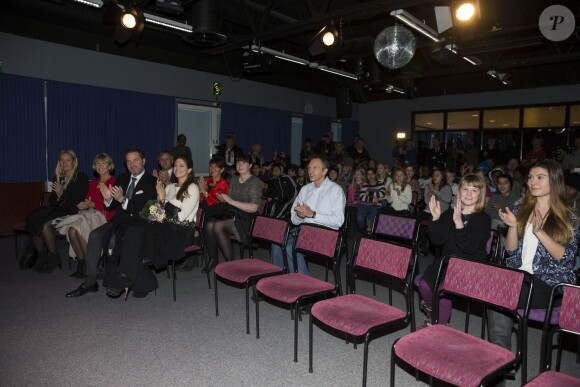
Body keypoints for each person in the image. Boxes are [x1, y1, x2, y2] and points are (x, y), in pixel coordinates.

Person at [489, 159, 579, 356]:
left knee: (502, 291)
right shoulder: (525, 210)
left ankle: (499, 357)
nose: (532, 182)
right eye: (530, 177)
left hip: (550, 283)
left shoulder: (568, 217)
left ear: (554, 181)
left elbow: (566, 259)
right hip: (523, 276)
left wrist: (540, 232)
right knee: (493, 284)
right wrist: (513, 226)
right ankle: (500, 356)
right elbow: (512, 252)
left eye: (540, 177)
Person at [65, 148, 157, 298]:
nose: (132, 164)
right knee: (95, 235)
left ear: (144, 161)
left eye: (136, 160)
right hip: (119, 220)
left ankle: (127, 279)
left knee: (127, 237)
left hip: (140, 223)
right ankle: (90, 281)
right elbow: (113, 206)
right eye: (128, 161)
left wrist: (123, 200)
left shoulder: (152, 182)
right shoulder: (122, 178)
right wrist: (108, 199)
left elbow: (148, 211)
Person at [419, 173, 491, 325]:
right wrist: (436, 219)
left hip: (469, 266)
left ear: (480, 194)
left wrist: (459, 224)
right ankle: (433, 311)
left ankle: (438, 330)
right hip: (446, 262)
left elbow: (469, 248)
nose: (469, 194)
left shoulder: (483, 219)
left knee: (442, 291)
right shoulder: (448, 214)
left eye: (474, 190)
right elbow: (437, 241)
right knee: (424, 285)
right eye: (465, 189)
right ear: (459, 192)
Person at [271, 156, 345, 274]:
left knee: (290, 246)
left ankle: (302, 285)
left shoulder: (335, 190)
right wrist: (300, 216)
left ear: (325, 171)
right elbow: (294, 219)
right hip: (302, 231)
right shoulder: (305, 189)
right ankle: (279, 278)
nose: (310, 171)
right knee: (277, 242)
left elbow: (339, 221)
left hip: (325, 235)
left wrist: (313, 214)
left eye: (315, 168)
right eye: (309, 168)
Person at [24, 150, 89, 273]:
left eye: (68, 160)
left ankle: (53, 257)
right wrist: (58, 196)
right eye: (61, 160)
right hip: (57, 209)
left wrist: (63, 193)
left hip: (72, 211)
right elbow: (53, 201)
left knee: (44, 224)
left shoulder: (81, 176)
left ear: (74, 162)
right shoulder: (58, 177)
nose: (64, 163)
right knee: (33, 218)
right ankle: (42, 256)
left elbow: (79, 199)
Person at [55, 153, 116, 279]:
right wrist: (85, 204)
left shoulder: (114, 181)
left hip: (106, 217)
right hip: (90, 214)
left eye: (103, 163)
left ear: (110, 166)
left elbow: (113, 205)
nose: (100, 166)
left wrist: (93, 204)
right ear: (94, 166)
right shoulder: (93, 183)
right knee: (72, 231)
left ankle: (90, 266)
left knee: (78, 226)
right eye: (98, 164)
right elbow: (87, 200)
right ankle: (83, 263)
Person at [139, 156, 200, 275]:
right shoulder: (170, 187)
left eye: (181, 166)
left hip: (183, 232)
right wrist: (159, 199)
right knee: (145, 221)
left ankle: (148, 255)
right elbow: (155, 216)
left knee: (150, 227)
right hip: (166, 227)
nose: (177, 168)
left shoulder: (193, 188)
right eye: (175, 165)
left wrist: (163, 202)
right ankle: (147, 256)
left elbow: (180, 218)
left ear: (189, 170)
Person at [202, 154, 262, 271]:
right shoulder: (234, 179)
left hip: (248, 219)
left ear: (250, 165)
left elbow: (254, 208)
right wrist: (224, 199)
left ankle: (231, 265)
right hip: (234, 214)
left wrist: (231, 201)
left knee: (218, 226)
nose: (240, 165)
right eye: (238, 163)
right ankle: (213, 259)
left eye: (243, 163)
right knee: (209, 224)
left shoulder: (254, 182)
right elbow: (229, 200)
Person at [357, 168, 386, 233]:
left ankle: (372, 232)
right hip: (365, 204)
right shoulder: (365, 184)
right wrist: (373, 199)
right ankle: (362, 232)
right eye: (368, 174)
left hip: (375, 205)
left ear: (375, 174)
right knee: (359, 218)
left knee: (373, 218)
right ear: (366, 176)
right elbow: (361, 197)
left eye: (372, 174)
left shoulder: (381, 183)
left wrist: (369, 193)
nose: (370, 176)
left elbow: (382, 194)